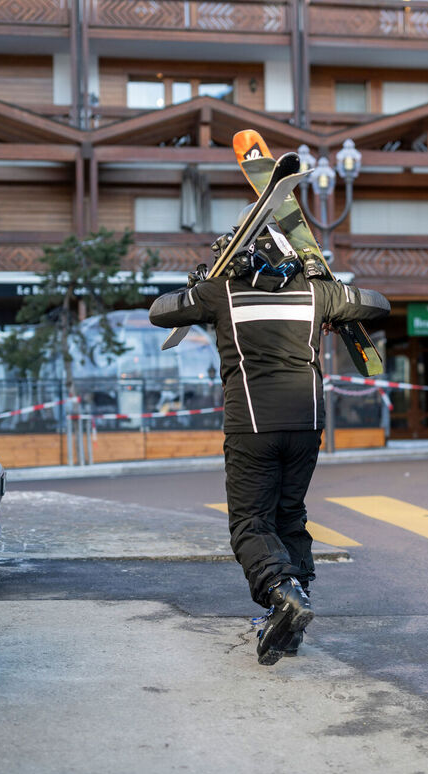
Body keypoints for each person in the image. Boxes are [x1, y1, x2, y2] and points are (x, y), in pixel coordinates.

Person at [149, 221, 390, 665]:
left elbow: (160, 311)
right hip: (307, 425)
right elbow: (378, 303)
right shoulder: (316, 293)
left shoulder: (222, 292)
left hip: (253, 424)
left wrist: (197, 286)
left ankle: (283, 594)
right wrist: (328, 282)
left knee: (250, 523)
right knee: (289, 516)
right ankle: (292, 621)